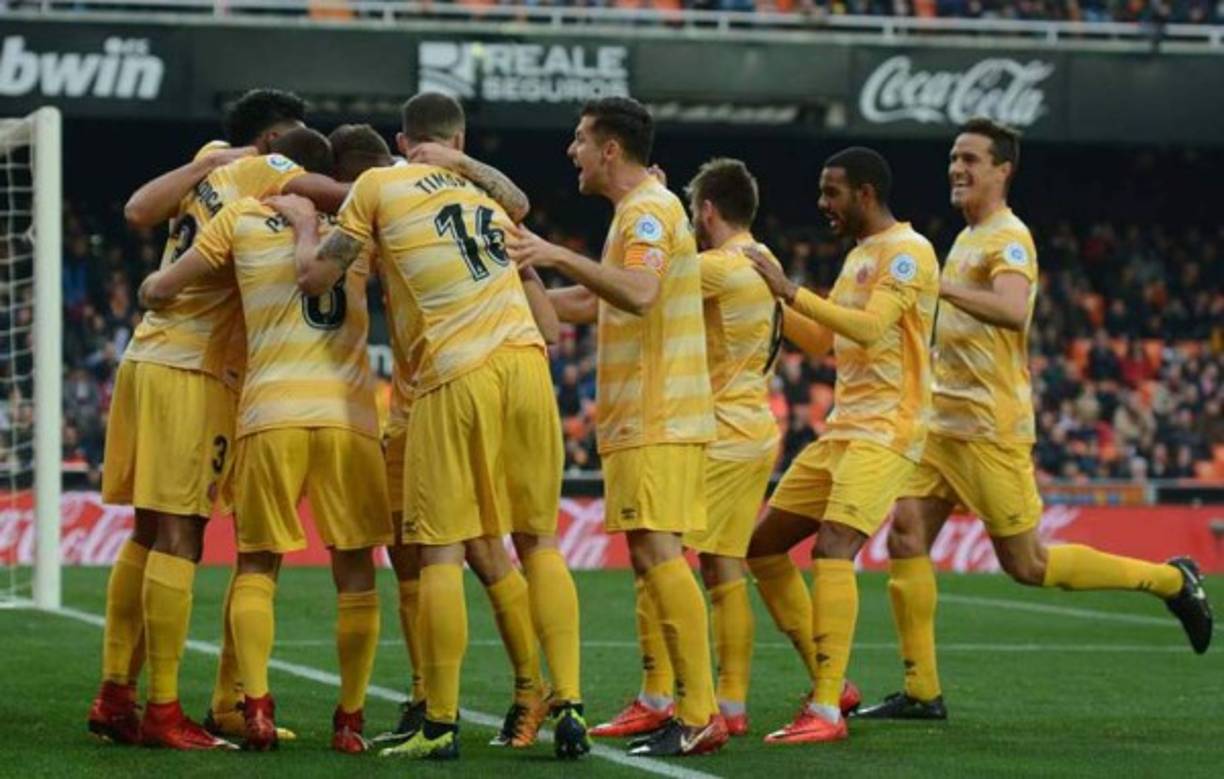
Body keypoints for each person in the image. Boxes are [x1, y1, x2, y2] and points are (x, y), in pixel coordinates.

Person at [854, 118, 1213, 722]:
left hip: (992, 428)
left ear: (1003, 170)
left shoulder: (1008, 238)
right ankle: (921, 690)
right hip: (944, 423)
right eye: (953, 158)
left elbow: (1014, 309)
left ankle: (1172, 581)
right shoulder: (966, 237)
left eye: (970, 159)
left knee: (1029, 566)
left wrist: (939, 287)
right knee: (907, 535)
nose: (957, 168)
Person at [273, 92, 586, 761]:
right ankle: (551, 699)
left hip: (453, 380)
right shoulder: (481, 198)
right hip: (499, 375)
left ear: (395, 147)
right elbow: (550, 324)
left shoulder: (380, 193)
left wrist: (302, 220)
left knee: (458, 548)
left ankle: (483, 705)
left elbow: (315, 270)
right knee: (482, 544)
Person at [87, 89, 343, 750]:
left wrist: (216, 162)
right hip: (195, 371)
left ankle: (116, 692)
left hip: (145, 353)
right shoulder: (272, 168)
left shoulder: (209, 161)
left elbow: (138, 208)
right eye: (296, 135)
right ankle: (163, 709)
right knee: (182, 535)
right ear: (275, 138)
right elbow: (343, 196)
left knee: (147, 532)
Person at [138, 127, 392, 753]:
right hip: (350, 417)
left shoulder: (243, 219)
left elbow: (163, 287)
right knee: (356, 569)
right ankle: (351, 721)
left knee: (257, 564)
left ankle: (253, 706)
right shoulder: (357, 231)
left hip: (269, 412)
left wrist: (154, 290)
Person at [508, 97, 727, 757]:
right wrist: (526, 274)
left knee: (662, 552)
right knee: (648, 555)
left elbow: (638, 291)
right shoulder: (636, 214)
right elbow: (591, 304)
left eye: (579, 140)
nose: (571, 152)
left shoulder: (649, 211)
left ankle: (699, 710)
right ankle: (672, 701)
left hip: (658, 409)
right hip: (642, 412)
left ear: (610, 149)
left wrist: (554, 252)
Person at [745, 146, 939, 745]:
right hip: (844, 428)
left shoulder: (908, 253)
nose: (823, 204)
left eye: (832, 193)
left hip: (887, 430)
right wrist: (770, 296)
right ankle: (834, 680)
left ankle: (826, 709)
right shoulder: (859, 255)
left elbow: (873, 327)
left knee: (833, 549)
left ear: (865, 193)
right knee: (763, 546)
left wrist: (791, 287)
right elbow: (824, 341)